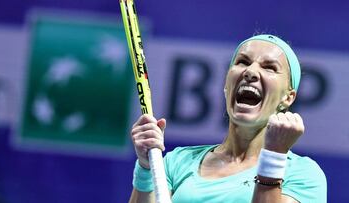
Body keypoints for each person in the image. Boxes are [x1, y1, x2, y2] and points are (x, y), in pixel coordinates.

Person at [129, 34, 327, 203]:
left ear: (288, 97)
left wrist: (274, 156)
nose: (250, 72)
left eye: (269, 67)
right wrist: (146, 168)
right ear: (226, 86)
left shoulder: (303, 174)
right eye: (243, 62)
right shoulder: (177, 162)